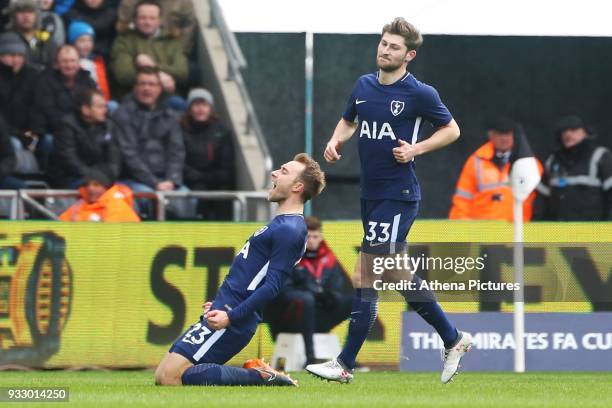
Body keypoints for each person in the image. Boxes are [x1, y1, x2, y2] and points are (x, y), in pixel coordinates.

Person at [306, 18, 471, 384]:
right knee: (395, 273)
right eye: (383, 43)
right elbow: (349, 119)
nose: (385, 50)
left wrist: (416, 149)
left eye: (394, 47)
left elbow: (452, 129)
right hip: (372, 194)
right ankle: (453, 339)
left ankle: (345, 363)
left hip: (398, 195)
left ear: (409, 55)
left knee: (367, 273)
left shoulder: (419, 93)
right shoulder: (364, 85)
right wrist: (336, 141)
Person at [154, 153, 325, 387]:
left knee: (170, 378)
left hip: (235, 317)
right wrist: (218, 303)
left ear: (297, 186)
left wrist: (230, 315)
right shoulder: (280, 224)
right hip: (225, 308)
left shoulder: (291, 229)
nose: (274, 173)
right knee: (164, 374)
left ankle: (260, 377)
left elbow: (272, 285)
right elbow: (249, 274)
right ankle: (258, 373)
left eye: (283, 171)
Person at [266, 216, 352, 365]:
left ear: (321, 237)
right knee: (306, 299)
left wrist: (327, 295)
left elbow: (336, 290)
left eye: (315, 236)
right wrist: (311, 290)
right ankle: (309, 358)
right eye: (308, 236)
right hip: (289, 319)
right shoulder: (288, 256)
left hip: (318, 316)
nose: (311, 240)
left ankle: (348, 357)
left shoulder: (329, 259)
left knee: (358, 301)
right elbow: (281, 292)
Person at [112, 66, 186, 218]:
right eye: (142, 84)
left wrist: (171, 180)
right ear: (135, 87)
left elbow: (177, 152)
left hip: (166, 181)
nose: (147, 88)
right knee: (147, 196)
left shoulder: (169, 115)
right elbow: (129, 154)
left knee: (185, 196)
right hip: (133, 179)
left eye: (152, 84)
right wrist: (155, 183)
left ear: (160, 89)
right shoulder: (123, 114)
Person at [449, 117, 541, 221]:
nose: (504, 138)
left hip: (517, 229)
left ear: (514, 136)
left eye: (507, 134)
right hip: (483, 230)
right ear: (491, 135)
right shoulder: (476, 161)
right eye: (500, 134)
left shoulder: (528, 162)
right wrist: (459, 225)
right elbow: (463, 198)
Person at [536, 115, 612, 220]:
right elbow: (541, 201)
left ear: (585, 133)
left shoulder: (600, 156)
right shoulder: (552, 161)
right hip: (558, 232)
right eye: (564, 131)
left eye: (573, 130)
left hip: (593, 233)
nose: (568, 134)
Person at [110, 0, 188, 98]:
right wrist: (159, 76)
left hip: (167, 94)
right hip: (134, 95)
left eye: (152, 18)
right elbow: (124, 75)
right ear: (134, 20)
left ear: (160, 20)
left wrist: (152, 65)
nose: (147, 22)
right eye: (143, 18)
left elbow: (182, 72)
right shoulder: (124, 41)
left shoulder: (172, 42)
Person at [47, 88, 120, 188]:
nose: (105, 110)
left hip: (102, 178)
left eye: (105, 106)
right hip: (72, 178)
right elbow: (69, 159)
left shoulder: (108, 125)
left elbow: (114, 157)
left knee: (124, 192)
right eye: (100, 107)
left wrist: (108, 176)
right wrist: (94, 177)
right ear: (85, 109)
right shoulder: (66, 126)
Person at [181, 88, 235, 220]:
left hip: (218, 183)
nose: (200, 109)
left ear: (210, 108)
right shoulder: (181, 130)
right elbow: (178, 160)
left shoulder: (222, 131)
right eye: (196, 104)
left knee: (223, 197)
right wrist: (197, 177)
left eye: (204, 104)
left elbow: (227, 165)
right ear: (189, 108)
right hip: (192, 183)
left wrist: (210, 178)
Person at [31, 44, 97, 136]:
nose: (69, 65)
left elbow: (97, 105)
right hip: (54, 131)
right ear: (56, 64)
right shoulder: (45, 82)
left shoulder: (88, 80)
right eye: (65, 61)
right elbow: (49, 114)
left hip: (84, 128)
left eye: (72, 61)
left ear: (79, 63)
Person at [59, 168, 140, 222]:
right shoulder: (79, 205)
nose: (90, 188)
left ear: (106, 188)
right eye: (87, 185)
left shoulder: (117, 206)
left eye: (96, 185)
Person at [116, 0, 195, 52]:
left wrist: (176, 52)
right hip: (136, 52)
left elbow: (189, 27)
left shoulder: (183, 2)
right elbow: (123, 28)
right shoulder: (130, 2)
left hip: (172, 53)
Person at [7, 0, 57, 70]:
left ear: (37, 15)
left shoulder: (46, 39)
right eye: (21, 12)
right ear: (14, 16)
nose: (25, 16)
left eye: (30, 12)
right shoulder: (6, 40)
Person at [67, 20, 111, 100]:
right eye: (82, 40)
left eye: (90, 40)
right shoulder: (71, 65)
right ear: (73, 42)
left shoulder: (98, 61)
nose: (87, 44)